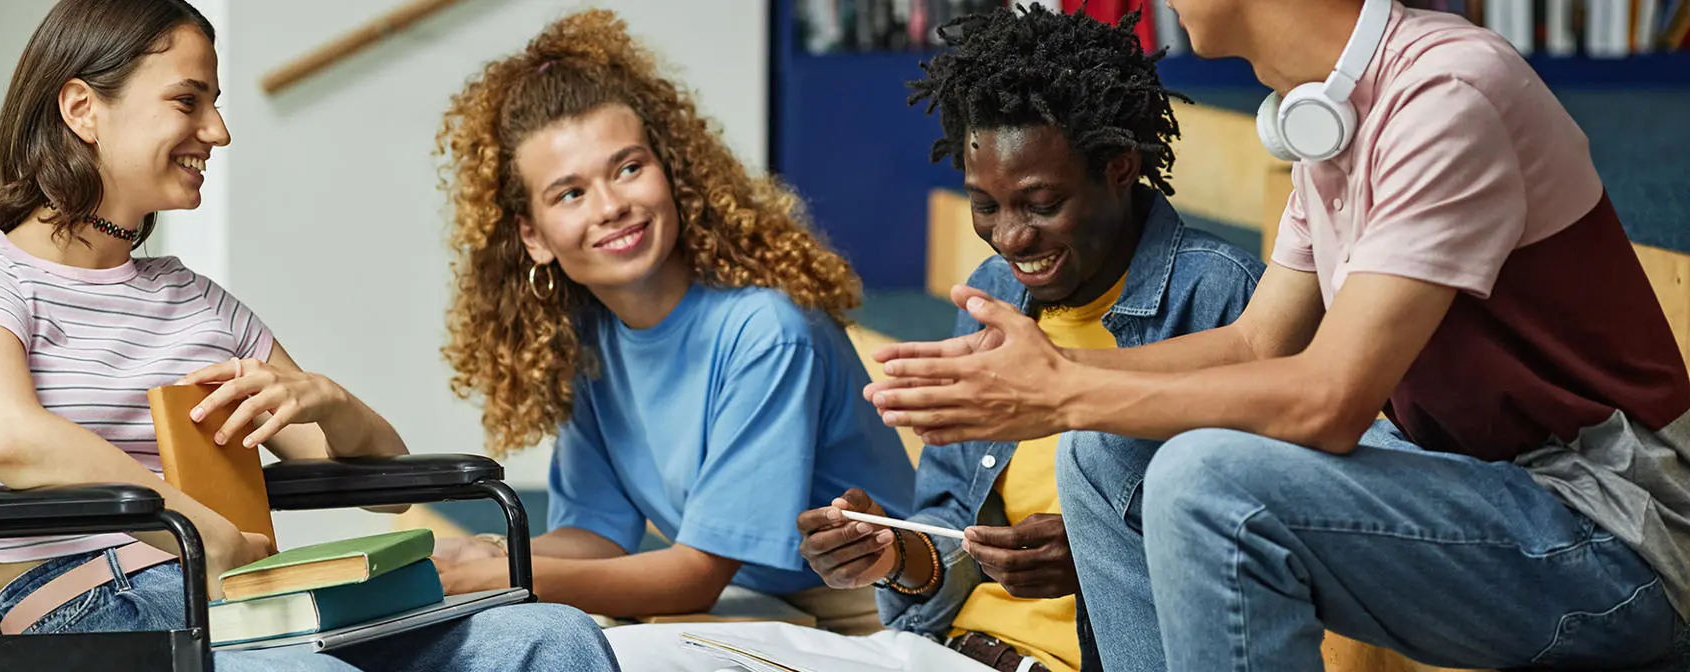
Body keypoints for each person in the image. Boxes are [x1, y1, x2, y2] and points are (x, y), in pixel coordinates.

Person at [864, 0, 1690, 669]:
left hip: (1617, 537)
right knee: (1100, 447)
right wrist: (1051, 373)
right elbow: (1259, 343)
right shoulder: (1328, 116)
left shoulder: (1446, 95)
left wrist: (1063, 389)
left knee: (1205, 474)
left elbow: (1329, 399)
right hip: (1485, 497)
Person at [0, 1, 618, 670]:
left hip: (242, 601)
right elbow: (11, 437)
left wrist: (328, 400)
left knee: (552, 639)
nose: (217, 130)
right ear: (82, 109)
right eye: (188, 101)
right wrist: (200, 529)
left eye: (214, 103)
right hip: (88, 608)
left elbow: (382, 487)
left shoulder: (199, 303)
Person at [600, 7, 1262, 671]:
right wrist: (892, 554)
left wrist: (1105, 553)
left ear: (1118, 167)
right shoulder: (994, 294)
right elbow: (951, 524)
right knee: (614, 654)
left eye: (1041, 203)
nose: (1010, 237)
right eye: (986, 204)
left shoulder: (1224, 303)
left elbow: (1275, 542)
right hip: (933, 651)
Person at [428, 9, 916, 632]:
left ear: (671, 172)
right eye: (569, 193)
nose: (611, 207)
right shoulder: (589, 339)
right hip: (757, 602)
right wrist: (482, 555)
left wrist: (511, 574)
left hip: (871, 609)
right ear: (533, 235)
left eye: (629, 167)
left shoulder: (767, 330)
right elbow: (595, 535)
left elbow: (694, 578)